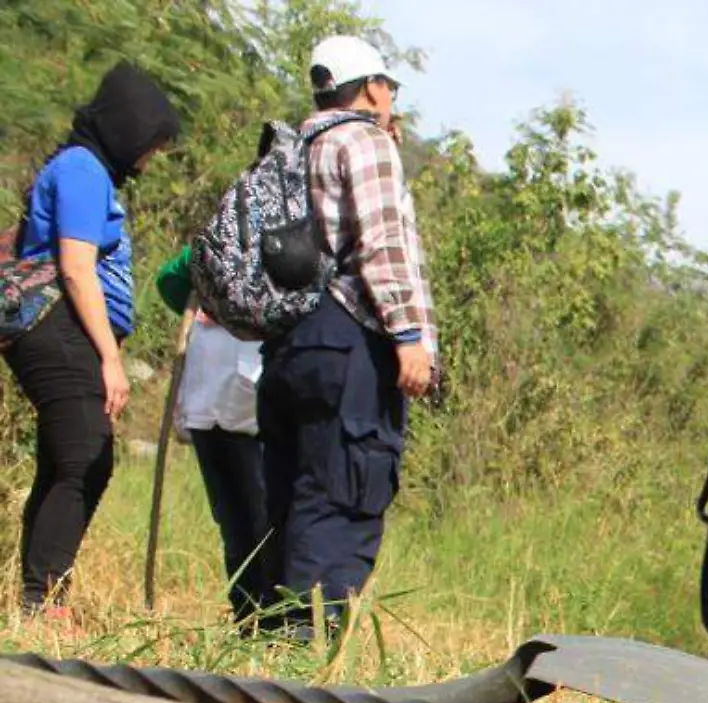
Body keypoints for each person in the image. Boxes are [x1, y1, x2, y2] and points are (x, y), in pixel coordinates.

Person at [254, 34, 437, 639]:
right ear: (372, 88)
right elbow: (383, 244)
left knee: (294, 493)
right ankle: (307, 645)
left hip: (289, 342)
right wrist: (409, 333)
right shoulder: (365, 142)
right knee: (343, 493)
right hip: (350, 337)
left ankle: (274, 636)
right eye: (390, 86)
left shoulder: (290, 145)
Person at [5, 62, 179, 618]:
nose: (152, 159)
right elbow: (77, 269)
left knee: (67, 456)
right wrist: (110, 357)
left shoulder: (86, 169)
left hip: (66, 327)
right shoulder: (82, 170)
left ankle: (36, 598)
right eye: (152, 144)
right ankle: (44, 602)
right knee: (86, 454)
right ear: (129, 128)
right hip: (59, 325)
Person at [154, 244, 270, 626]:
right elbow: (173, 277)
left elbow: (172, 279)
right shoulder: (217, 244)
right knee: (247, 521)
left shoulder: (216, 241)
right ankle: (254, 618)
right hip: (232, 400)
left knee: (246, 521)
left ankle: (259, 619)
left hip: (229, 397)